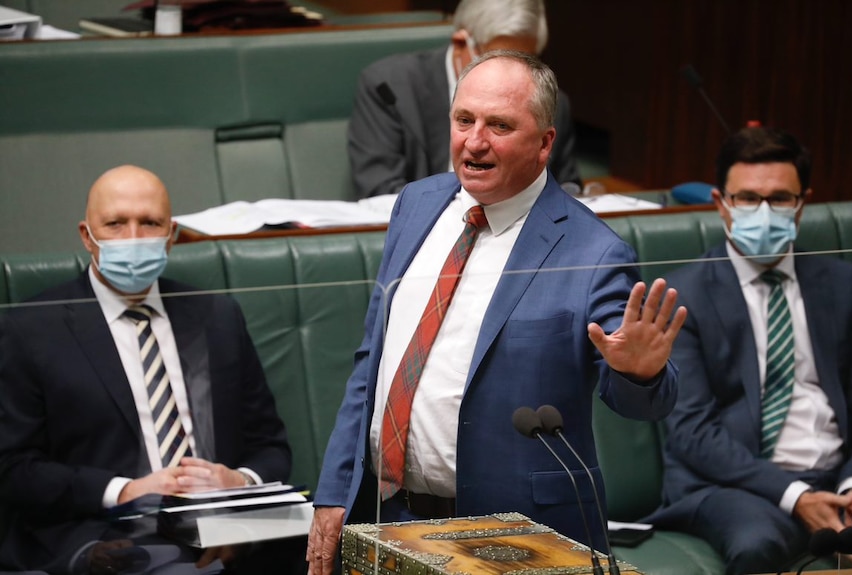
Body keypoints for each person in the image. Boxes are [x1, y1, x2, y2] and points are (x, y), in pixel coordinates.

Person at [307, 50, 686, 575]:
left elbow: (643, 402)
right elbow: (373, 361)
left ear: (546, 143)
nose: (475, 141)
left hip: (516, 538)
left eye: (500, 126)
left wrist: (638, 370)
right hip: (386, 519)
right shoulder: (416, 204)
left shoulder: (593, 252)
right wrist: (335, 490)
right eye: (464, 120)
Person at [0, 165, 294, 574]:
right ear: (88, 236)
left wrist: (237, 483)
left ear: (170, 236)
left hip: (228, 522)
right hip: (104, 529)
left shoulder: (217, 316)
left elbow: (271, 445)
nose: (134, 239)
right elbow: (13, 469)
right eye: (116, 224)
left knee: (332, 546)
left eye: (150, 223)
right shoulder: (30, 328)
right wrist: (125, 491)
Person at [645, 127, 852, 575]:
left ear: (802, 205)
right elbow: (691, 431)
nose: (764, 212)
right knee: (755, 542)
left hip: (836, 476)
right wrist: (795, 496)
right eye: (747, 199)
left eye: (780, 199)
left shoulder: (844, 285)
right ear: (721, 203)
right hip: (732, 485)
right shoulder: (681, 295)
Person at [348, 0, 582, 199]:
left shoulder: (552, 104)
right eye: (496, 60)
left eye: (523, 62)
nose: (509, 76)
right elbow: (382, 191)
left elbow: (565, 188)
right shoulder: (388, 87)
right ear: (461, 43)